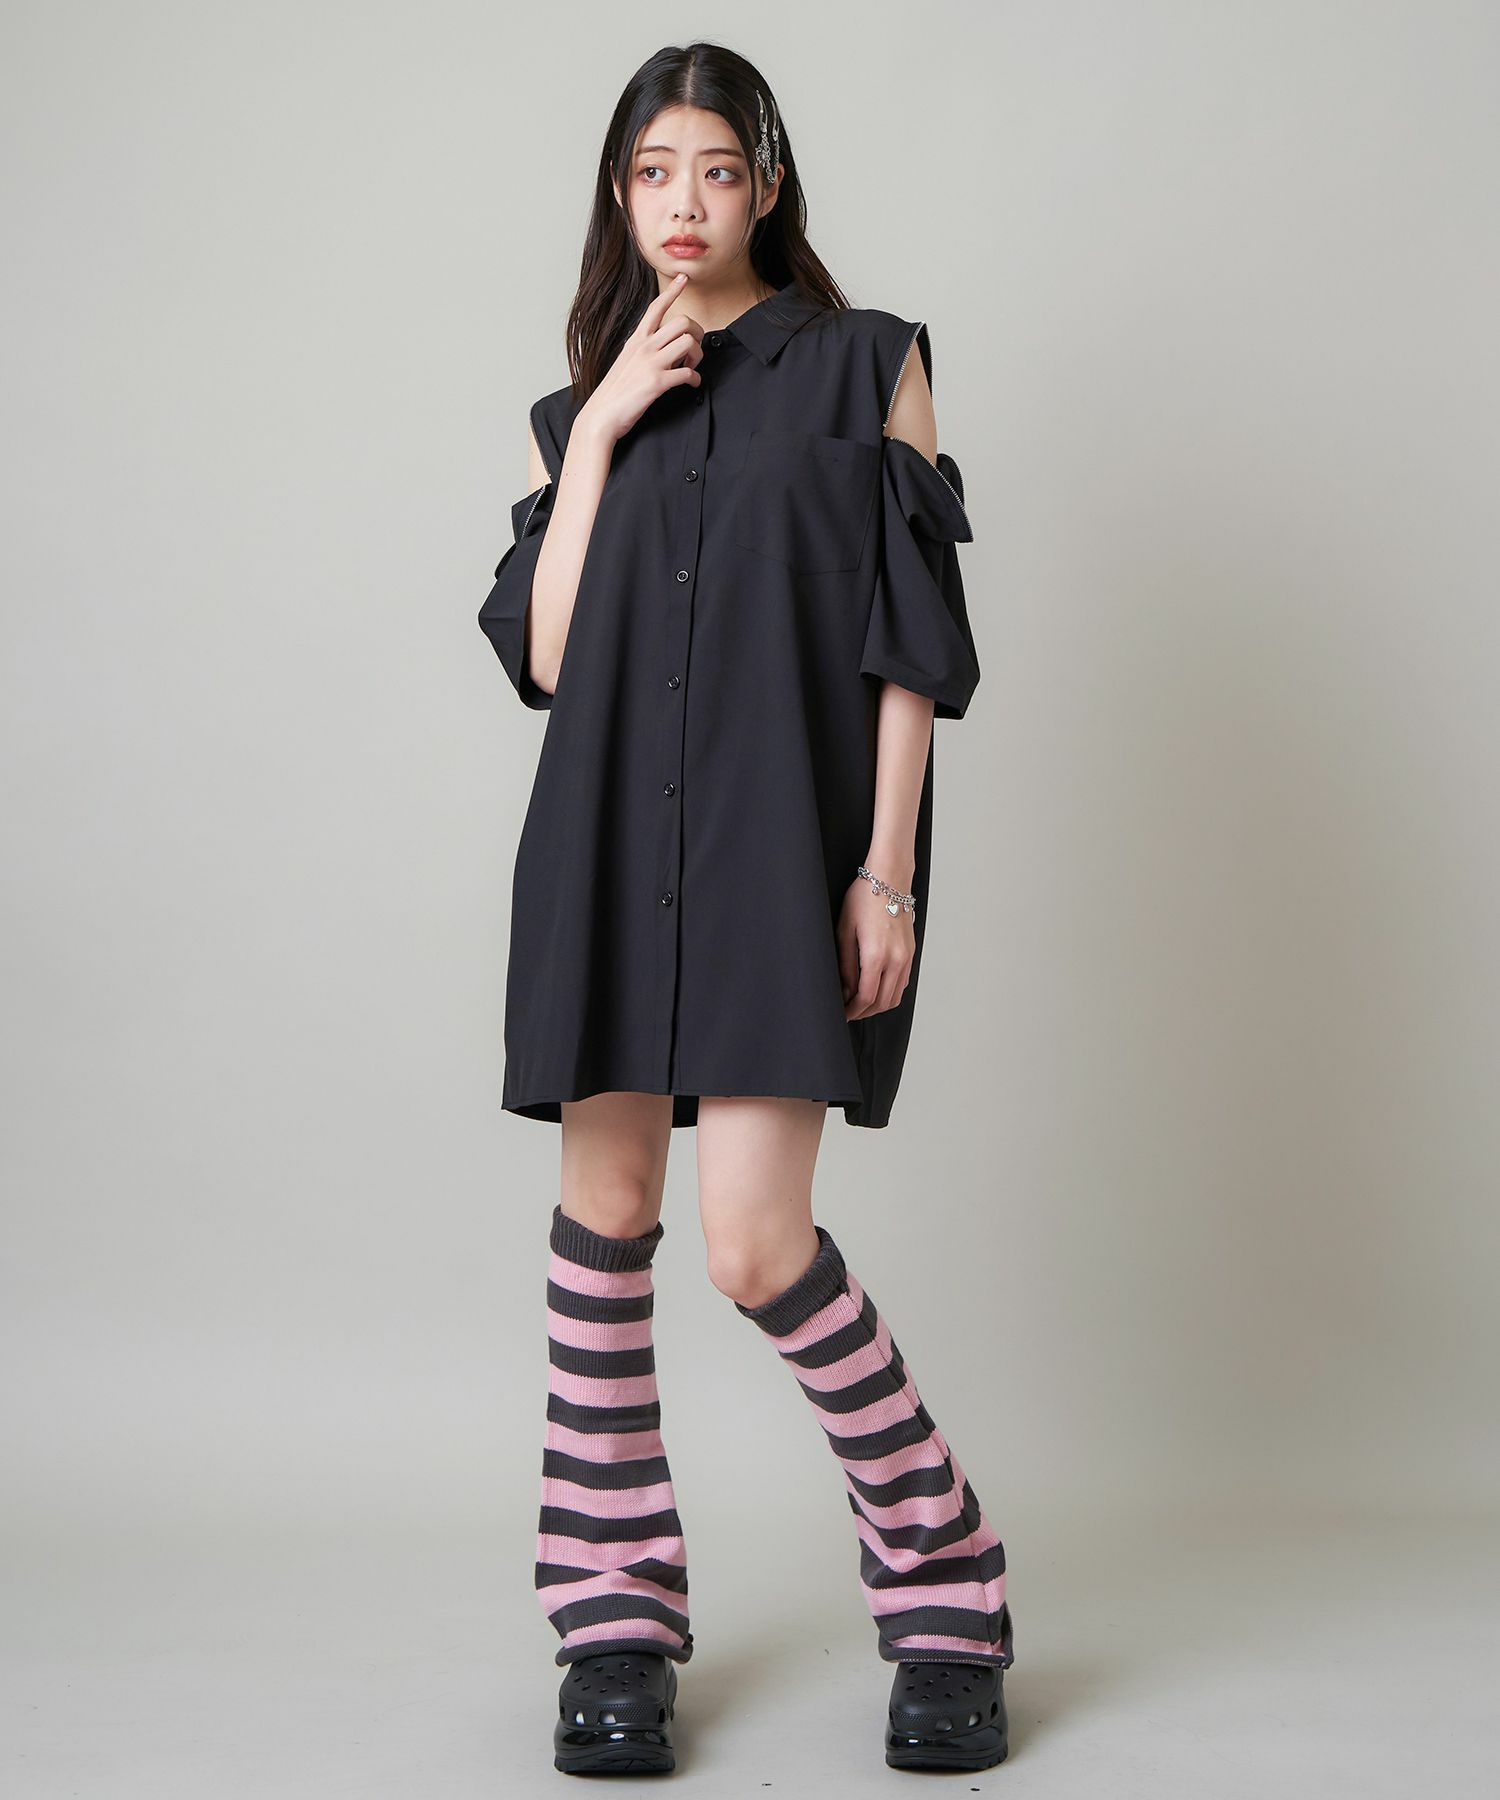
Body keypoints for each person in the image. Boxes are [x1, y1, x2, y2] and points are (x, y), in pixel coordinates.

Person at [478, 42, 1014, 1777]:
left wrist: (887, 873)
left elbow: (909, 650)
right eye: (654, 173)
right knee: (602, 1226)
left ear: (767, 184)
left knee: (756, 1245)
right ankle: (611, 1616)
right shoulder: (583, 409)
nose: (685, 204)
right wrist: (605, 427)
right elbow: (550, 658)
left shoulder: (872, 365)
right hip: (605, 842)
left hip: (786, 852)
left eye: (715, 169)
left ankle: (947, 1574)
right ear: (619, 193)